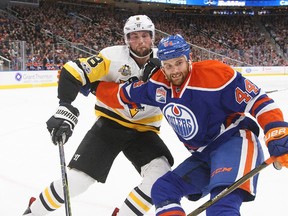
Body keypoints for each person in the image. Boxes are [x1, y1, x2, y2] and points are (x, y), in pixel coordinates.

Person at [94, 34, 288, 215]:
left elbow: (258, 101)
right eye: (168, 66)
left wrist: (276, 132)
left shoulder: (214, 75)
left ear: (188, 58)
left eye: (179, 63)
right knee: (163, 190)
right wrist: (93, 86)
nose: (174, 70)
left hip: (234, 141)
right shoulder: (157, 85)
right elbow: (124, 95)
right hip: (203, 155)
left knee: (221, 204)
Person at [23, 15, 174, 216]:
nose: (140, 42)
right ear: (126, 39)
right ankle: (34, 211)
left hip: (144, 131)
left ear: (153, 37)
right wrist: (65, 106)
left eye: (145, 36)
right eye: (134, 36)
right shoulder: (112, 57)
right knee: (77, 182)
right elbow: (71, 71)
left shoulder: (168, 60)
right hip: (110, 125)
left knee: (161, 175)